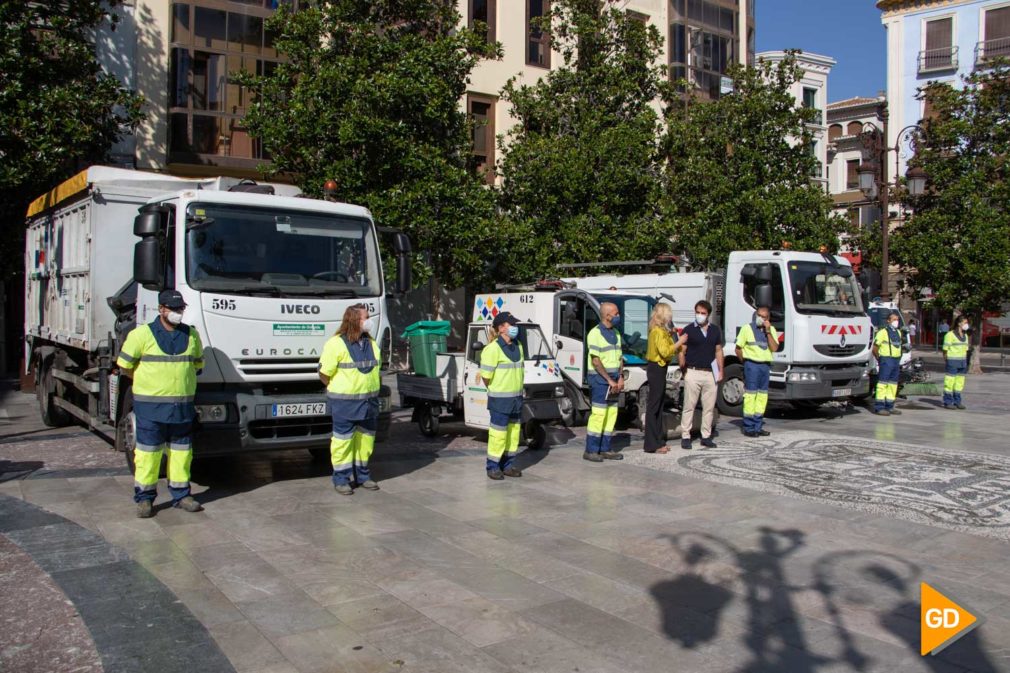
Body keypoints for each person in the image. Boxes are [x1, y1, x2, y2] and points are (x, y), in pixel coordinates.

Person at [116, 290, 205, 518]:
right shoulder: (141, 335)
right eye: (173, 309)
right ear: (161, 309)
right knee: (148, 454)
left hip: (181, 409)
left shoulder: (192, 335)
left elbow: (196, 365)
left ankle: (181, 495)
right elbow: (125, 366)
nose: (178, 313)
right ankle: (145, 499)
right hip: (150, 409)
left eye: (180, 309)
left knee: (182, 453)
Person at [319, 304, 381, 495]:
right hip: (345, 404)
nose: (369, 320)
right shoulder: (335, 343)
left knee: (365, 441)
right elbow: (324, 374)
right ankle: (341, 479)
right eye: (366, 317)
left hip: (369, 404)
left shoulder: (371, 343)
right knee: (342, 442)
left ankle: (363, 476)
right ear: (354, 320)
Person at [480, 312, 525, 480]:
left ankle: (508, 465)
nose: (515, 327)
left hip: (516, 399)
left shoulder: (518, 346)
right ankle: (493, 466)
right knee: (498, 434)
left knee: (513, 434)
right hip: (500, 401)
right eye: (511, 324)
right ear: (501, 328)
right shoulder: (491, 349)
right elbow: (486, 377)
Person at [677, 301, 723, 450]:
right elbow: (682, 351)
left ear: (708, 314)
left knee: (708, 407)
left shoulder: (715, 330)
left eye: (703, 313)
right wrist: (683, 369)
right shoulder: (689, 329)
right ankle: (685, 435)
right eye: (698, 312)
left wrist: (720, 370)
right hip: (693, 371)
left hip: (710, 373)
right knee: (689, 405)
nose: (700, 315)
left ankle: (706, 435)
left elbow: (718, 351)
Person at [584, 302, 625, 462]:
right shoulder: (595, 334)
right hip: (600, 380)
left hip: (614, 380)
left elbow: (620, 357)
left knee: (611, 414)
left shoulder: (616, 333)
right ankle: (591, 450)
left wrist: (620, 377)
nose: (618, 316)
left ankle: (605, 448)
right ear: (607, 315)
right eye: (616, 313)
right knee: (599, 414)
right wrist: (609, 380)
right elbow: (596, 361)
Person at [735, 304, 779, 438]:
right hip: (752, 365)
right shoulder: (747, 328)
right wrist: (747, 362)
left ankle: (758, 426)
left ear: (768, 319)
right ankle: (748, 427)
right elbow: (738, 349)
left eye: (764, 317)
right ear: (755, 315)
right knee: (750, 396)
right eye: (759, 316)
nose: (761, 318)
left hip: (765, 366)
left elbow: (774, 348)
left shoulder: (771, 330)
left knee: (762, 396)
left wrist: (768, 332)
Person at [644, 303, 678, 454]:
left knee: (658, 406)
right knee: (654, 406)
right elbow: (665, 352)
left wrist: (671, 335)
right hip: (656, 368)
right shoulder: (657, 331)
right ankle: (651, 443)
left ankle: (658, 440)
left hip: (659, 368)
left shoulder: (661, 331)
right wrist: (679, 342)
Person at [872, 310, 903, 417]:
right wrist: (879, 359)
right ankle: (879, 407)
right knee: (882, 384)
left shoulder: (898, 332)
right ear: (888, 321)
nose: (896, 321)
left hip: (895, 360)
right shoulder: (882, 332)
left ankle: (890, 406)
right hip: (886, 360)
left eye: (897, 319)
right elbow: (875, 347)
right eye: (894, 319)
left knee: (893, 384)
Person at [942, 316, 970, 410]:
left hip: (962, 363)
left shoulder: (965, 336)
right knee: (949, 382)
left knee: (959, 383)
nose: (966, 324)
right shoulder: (950, 335)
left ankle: (957, 402)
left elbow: (966, 350)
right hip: (952, 362)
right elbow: (945, 350)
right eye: (965, 322)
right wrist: (947, 360)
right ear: (959, 323)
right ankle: (948, 402)